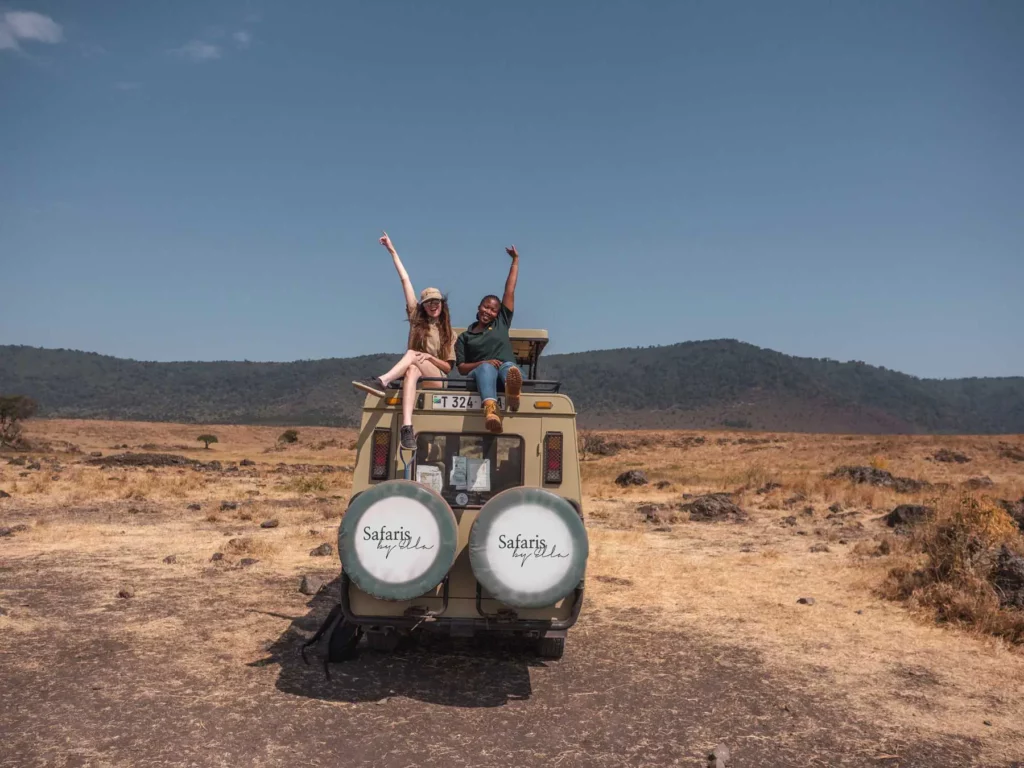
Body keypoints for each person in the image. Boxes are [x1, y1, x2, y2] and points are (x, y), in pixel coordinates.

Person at [353, 232, 455, 449]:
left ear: (441, 304)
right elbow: (405, 280)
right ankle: (407, 428)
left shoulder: (449, 332)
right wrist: (392, 251)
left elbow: (448, 366)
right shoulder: (417, 321)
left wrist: (429, 357)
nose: (432, 305)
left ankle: (382, 381)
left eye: (436, 301)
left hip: (438, 379)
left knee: (411, 355)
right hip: (419, 372)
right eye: (428, 302)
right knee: (411, 370)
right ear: (423, 306)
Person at [455, 245, 523, 434]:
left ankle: (513, 390)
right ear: (479, 307)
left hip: (505, 371)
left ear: (497, 314)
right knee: (486, 367)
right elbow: (461, 368)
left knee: (509, 367)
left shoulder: (502, 322)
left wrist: (515, 261)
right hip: (483, 377)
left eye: (493, 310)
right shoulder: (464, 337)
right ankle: (491, 410)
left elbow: (509, 291)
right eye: (486, 307)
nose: (489, 311)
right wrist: (484, 362)